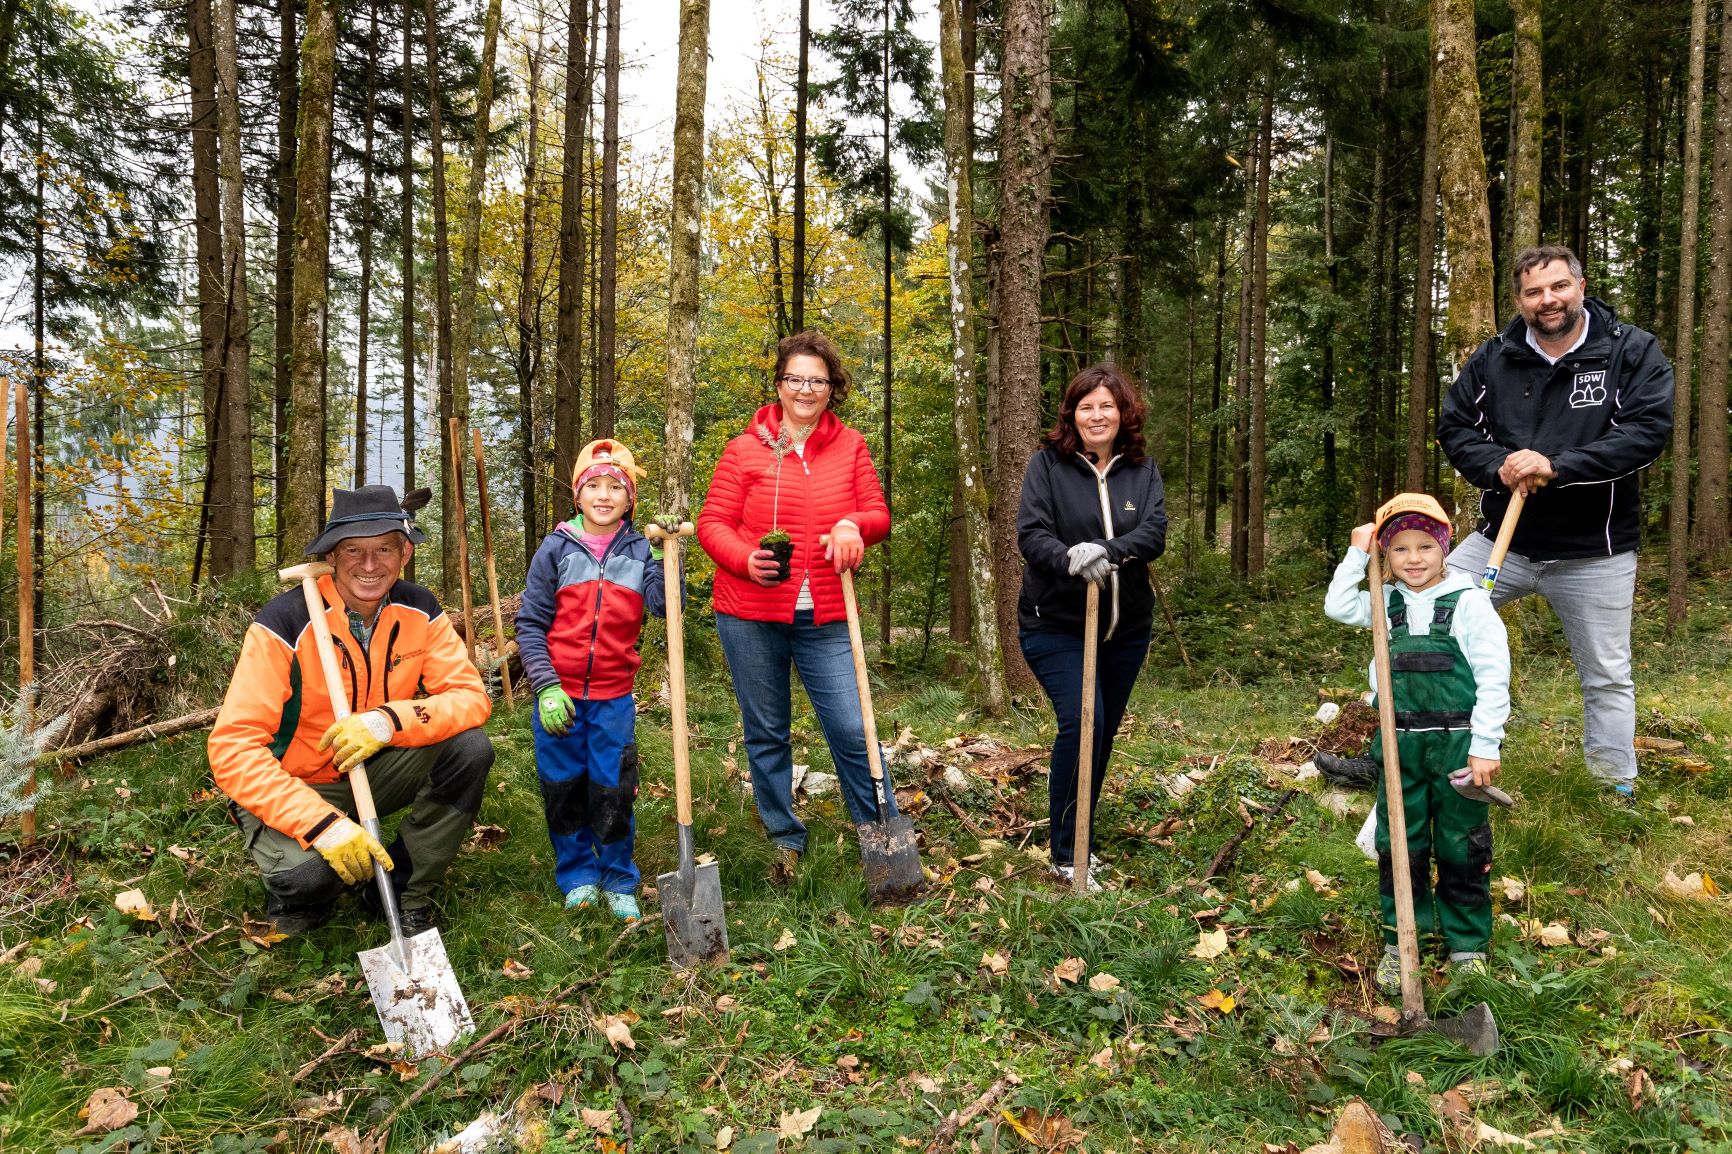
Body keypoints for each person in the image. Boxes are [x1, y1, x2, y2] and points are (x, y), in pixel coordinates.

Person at [1438, 244, 1673, 797]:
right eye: (1534, 291)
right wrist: (1499, 466)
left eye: (1558, 287)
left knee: (1607, 676)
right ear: (1519, 300)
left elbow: (1644, 434)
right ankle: (1421, 761)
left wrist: (1557, 466)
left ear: (1581, 286)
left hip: (1597, 550)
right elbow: (1455, 427)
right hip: (1504, 542)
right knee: (1430, 626)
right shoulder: (1494, 357)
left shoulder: (1630, 351)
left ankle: (1614, 790)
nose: (1548, 300)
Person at [208, 486, 494, 937]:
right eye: (353, 550)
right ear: (332, 558)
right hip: (293, 784)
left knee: (470, 749)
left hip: (371, 770)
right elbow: (233, 748)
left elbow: (470, 697)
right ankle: (299, 895)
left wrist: (388, 722)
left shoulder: (419, 609)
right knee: (309, 877)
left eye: (384, 548)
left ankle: (403, 891)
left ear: (404, 553)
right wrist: (323, 826)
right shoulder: (284, 623)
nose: (369, 564)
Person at [697, 329, 895, 884]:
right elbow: (713, 523)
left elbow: (877, 513)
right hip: (750, 613)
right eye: (796, 379)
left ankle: (879, 832)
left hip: (829, 614)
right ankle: (784, 837)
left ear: (833, 387)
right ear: (779, 384)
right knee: (767, 731)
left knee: (854, 728)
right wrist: (744, 558)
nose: (806, 389)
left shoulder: (850, 446)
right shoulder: (744, 449)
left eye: (818, 380)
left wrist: (854, 524)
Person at [1327, 494, 1510, 989]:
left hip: (1457, 744)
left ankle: (1467, 945)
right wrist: (1355, 553)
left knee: (1461, 842)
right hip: (1398, 741)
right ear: (1385, 556)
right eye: (1400, 548)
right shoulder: (1385, 601)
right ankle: (1402, 936)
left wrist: (1485, 745)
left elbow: (1494, 678)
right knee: (1399, 842)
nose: (1413, 558)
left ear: (1445, 547)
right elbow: (1338, 606)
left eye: (1425, 546)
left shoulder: (1469, 602)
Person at [1016, 364, 1167, 893]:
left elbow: (1154, 532)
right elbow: (1031, 534)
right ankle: (1065, 852)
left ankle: (1082, 836)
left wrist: (1107, 551)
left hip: (1125, 630)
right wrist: (1068, 559)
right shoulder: (1047, 467)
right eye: (1086, 407)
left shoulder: (1140, 470)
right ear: (1072, 415)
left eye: (1106, 405)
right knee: (1083, 724)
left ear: (1123, 412)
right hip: (1056, 625)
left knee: (1100, 735)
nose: (1096, 415)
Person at [516, 439, 676, 923]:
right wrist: (544, 686)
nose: (604, 496)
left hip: (613, 698)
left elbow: (667, 607)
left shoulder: (639, 551)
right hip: (558, 696)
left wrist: (671, 557)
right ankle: (578, 875)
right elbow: (530, 623)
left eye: (615, 487)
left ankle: (618, 876)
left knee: (613, 786)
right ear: (577, 495)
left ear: (629, 500)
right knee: (563, 787)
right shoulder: (556, 549)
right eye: (594, 486)